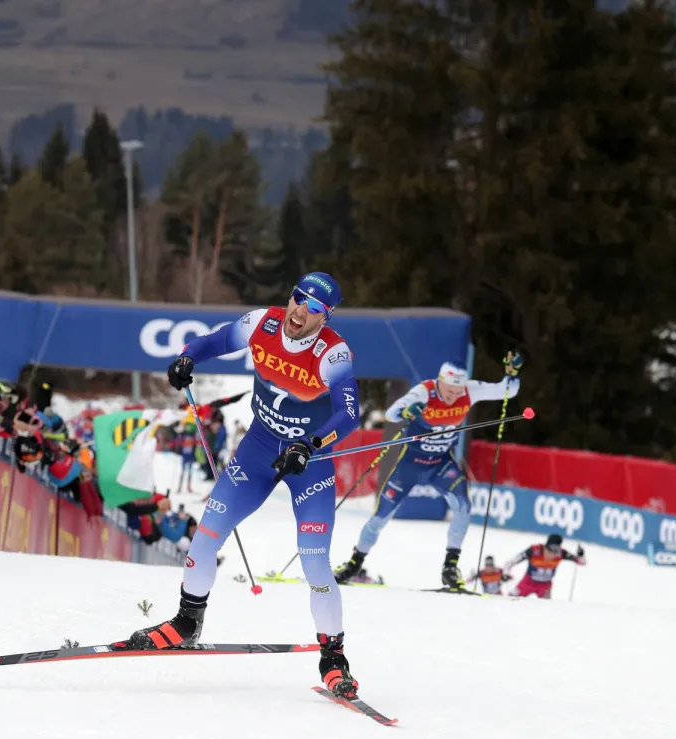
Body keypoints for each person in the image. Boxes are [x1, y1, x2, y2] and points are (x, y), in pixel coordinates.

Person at [113, 272, 362, 699]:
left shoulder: (333, 354)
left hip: (310, 461)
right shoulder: (262, 323)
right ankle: (186, 623)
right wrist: (187, 357)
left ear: (326, 316)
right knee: (206, 534)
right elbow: (215, 340)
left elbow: (350, 412)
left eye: (314, 308)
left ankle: (333, 658)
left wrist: (312, 443)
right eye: (298, 298)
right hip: (260, 448)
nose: (300, 310)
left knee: (315, 561)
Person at [334, 352, 522, 591]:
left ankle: (450, 568)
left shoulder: (469, 390)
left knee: (463, 507)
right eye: (450, 390)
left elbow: (507, 391)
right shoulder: (424, 392)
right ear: (440, 381)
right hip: (410, 465)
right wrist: (408, 410)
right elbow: (392, 413)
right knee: (380, 517)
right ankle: (354, 564)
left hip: (441, 464)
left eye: (458, 391)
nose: (454, 396)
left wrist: (512, 373)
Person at [505, 534, 586, 599]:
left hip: (545, 586)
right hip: (528, 583)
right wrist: (506, 573)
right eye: (549, 552)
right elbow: (510, 562)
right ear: (545, 547)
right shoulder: (533, 550)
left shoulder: (561, 554)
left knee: (547, 608)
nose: (551, 556)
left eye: (555, 553)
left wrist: (580, 555)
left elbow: (582, 562)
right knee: (510, 600)